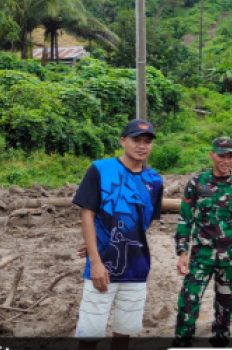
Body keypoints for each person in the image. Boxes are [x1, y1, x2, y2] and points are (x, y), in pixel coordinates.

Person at [72, 119, 164, 347]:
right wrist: (95, 260)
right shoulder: (100, 169)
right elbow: (87, 214)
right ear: (123, 141)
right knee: (90, 334)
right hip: (102, 267)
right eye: (136, 140)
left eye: (147, 141)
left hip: (137, 268)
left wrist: (115, 237)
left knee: (124, 334)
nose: (142, 146)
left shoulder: (154, 180)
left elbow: (144, 222)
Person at [173, 136, 232, 347]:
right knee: (188, 302)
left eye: (229, 155)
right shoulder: (197, 183)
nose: (225, 160)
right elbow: (185, 219)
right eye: (221, 155)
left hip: (229, 259)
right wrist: (182, 251)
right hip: (200, 258)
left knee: (225, 307)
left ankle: (220, 341)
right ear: (212, 155)